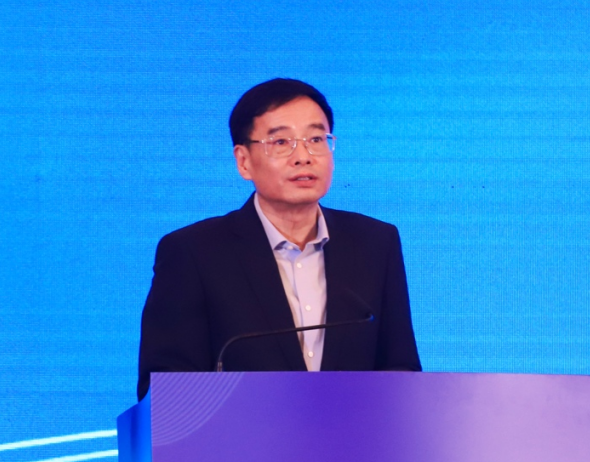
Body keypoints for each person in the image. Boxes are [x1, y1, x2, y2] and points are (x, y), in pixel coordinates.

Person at [137, 78, 421, 400]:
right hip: (242, 433)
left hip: (354, 431)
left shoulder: (375, 243)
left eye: (316, 139)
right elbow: (165, 389)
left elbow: (401, 369)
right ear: (244, 161)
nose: (303, 156)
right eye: (281, 142)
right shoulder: (194, 252)